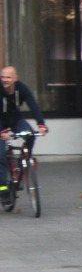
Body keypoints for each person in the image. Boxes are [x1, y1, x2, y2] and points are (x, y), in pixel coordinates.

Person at [0, 66, 48, 203]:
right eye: (3, 77)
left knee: (30, 135)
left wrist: (41, 124)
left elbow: (33, 105)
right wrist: (2, 132)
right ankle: (3, 191)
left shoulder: (21, 88)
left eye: (8, 77)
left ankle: (26, 158)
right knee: (1, 157)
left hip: (15, 119)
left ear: (16, 78)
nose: (5, 80)